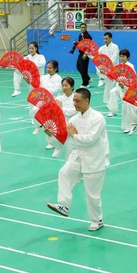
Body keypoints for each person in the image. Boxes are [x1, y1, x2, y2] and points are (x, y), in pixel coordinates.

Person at [46, 88, 109, 231]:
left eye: (77, 101)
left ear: (86, 101)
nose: (74, 103)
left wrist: (74, 135)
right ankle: (64, 205)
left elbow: (90, 140)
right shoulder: (74, 119)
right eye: (74, 100)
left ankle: (97, 220)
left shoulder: (98, 118)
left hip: (95, 160)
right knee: (64, 173)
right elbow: (64, 136)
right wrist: (51, 134)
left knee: (92, 195)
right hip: (78, 157)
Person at [107, 49, 137, 130]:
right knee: (112, 91)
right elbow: (113, 77)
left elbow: (133, 79)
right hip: (119, 87)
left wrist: (124, 86)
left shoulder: (131, 66)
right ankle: (113, 110)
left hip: (127, 89)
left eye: (123, 56)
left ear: (128, 57)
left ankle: (127, 126)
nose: (121, 58)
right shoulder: (119, 66)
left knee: (125, 108)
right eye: (120, 56)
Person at [51, 77, 78, 155]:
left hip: (73, 125)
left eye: (66, 85)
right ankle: (58, 147)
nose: (64, 88)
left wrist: (61, 108)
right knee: (49, 130)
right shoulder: (59, 98)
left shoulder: (75, 98)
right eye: (62, 85)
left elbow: (73, 111)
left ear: (72, 87)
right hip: (61, 123)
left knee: (71, 150)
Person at [95, 32, 120, 106]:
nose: (105, 40)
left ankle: (110, 100)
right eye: (104, 39)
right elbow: (98, 58)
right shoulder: (101, 48)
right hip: (104, 70)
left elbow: (114, 59)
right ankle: (101, 78)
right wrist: (102, 68)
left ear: (110, 38)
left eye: (106, 39)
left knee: (111, 85)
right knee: (108, 84)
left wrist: (106, 67)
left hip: (113, 69)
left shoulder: (115, 47)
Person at [74, 23, 92, 87]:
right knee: (78, 66)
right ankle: (87, 78)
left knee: (84, 68)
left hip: (85, 54)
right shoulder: (80, 35)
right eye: (81, 27)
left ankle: (85, 83)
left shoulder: (88, 36)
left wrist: (85, 54)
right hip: (80, 53)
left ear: (86, 28)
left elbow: (89, 45)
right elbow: (81, 44)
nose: (83, 28)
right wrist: (77, 43)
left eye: (84, 27)